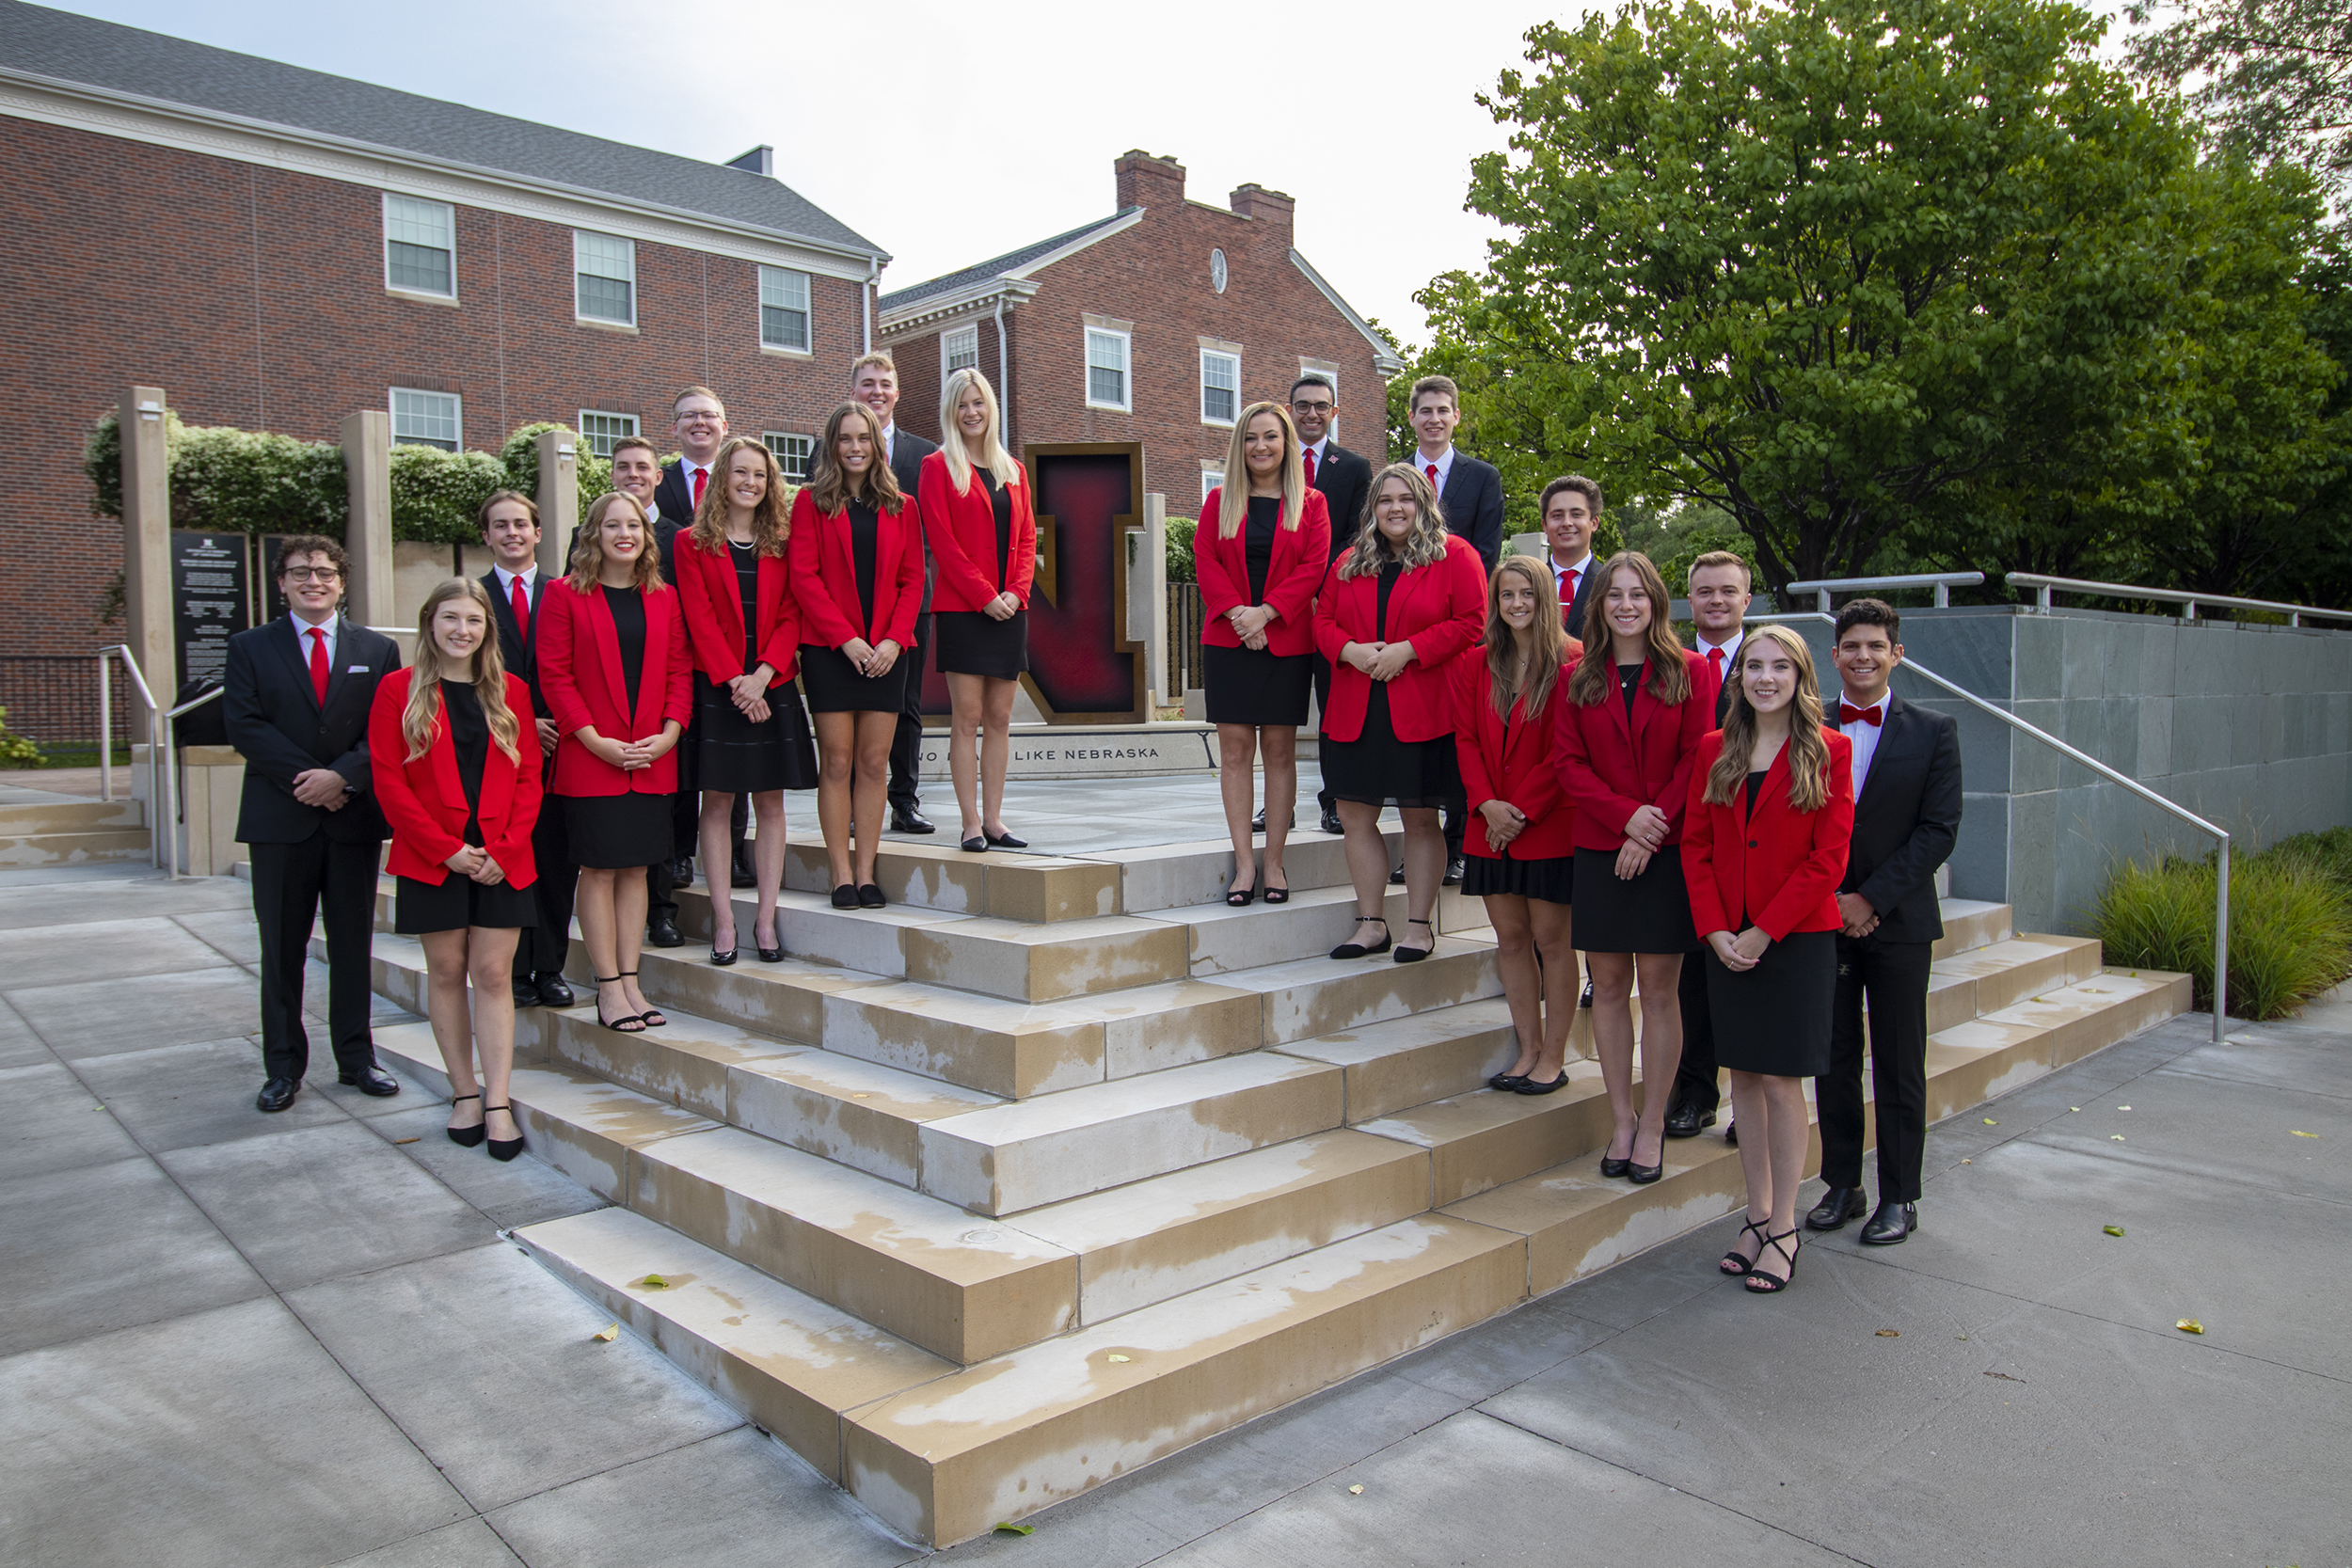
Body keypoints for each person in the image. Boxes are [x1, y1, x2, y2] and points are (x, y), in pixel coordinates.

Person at [1683, 625, 1855, 1292]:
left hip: (1795, 941)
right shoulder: (1715, 750)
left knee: (1783, 1082)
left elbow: (1828, 860)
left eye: (1779, 667)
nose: (1764, 677)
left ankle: (1784, 1224)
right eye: (1754, 665)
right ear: (1739, 677)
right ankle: (1754, 1212)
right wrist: (1717, 929)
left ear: (1801, 677)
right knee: (1744, 1082)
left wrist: (1764, 931)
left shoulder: (1829, 752)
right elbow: (1696, 848)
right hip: (1726, 942)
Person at [224, 535, 404, 1113]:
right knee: (282, 948)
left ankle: (356, 1059)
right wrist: (309, 779)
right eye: (300, 572)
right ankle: (282, 1068)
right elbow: (245, 726)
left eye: (325, 572)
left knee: (353, 944)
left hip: (351, 818)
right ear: (281, 583)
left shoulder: (375, 650)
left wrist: (342, 778)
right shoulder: (250, 647)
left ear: (342, 582)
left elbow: (385, 728)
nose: (313, 580)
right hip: (281, 818)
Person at [369, 578, 542, 1161]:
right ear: (429, 623)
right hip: (431, 855)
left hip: (501, 857)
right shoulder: (398, 691)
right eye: (449, 618)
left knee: (493, 975)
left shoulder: (511, 691)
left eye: (472, 620)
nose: (461, 630)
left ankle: (497, 1100)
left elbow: (528, 779)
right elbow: (389, 780)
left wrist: (506, 848)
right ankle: (463, 1093)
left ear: (486, 628)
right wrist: (444, 849)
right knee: (445, 972)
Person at [1807, 598, 1963, 1245]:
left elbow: (1938, 831)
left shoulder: (1935, 730)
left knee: (1899, 1062)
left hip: (1897, 923)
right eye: (1852, 646)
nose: (1863, 656)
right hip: (1824, 917)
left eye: (1876, 646)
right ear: (1835, 655)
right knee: (1833, 1057)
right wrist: (1835, 898)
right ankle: (1843, 1181)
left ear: (1896, 654)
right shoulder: (1806, 724)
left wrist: (1869, 898)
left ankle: (1900, 1193)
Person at [1552, 550, 1708, 1184]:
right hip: (1599, 848)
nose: (1625, 604)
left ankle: (1653, 1122)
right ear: (1600, 605)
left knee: (1662, 990)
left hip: (1665, 852)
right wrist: (1625, 819)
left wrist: (1651, 826)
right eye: (1614, 594)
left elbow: (1699, 758)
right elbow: (1567, 764)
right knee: (1610, 988)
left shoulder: (1691, 672)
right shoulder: (1577, 677)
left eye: (1637, 594)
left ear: (1656, 603)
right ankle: (1621, 1118)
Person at [1314, 464, 1486, 962]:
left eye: (1406, 499)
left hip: (1423, 708)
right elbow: (1321, 620)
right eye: (1385, 499)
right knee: (1354, 815)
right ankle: (1370, 924)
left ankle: (1417, 926)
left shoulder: (1456, 556)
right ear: (1372, 509)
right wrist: (1348, 651)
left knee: (1419, 815)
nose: (1395, 508)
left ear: (1424, 504)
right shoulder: (1348, 561)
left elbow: (1473, 622)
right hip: (1356, 706)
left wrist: (1408, 650)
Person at [538, 490, 691, 1035]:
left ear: (646, 536)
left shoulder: (664, 597)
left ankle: (631, 980)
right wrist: (594, 741)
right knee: (598, 869)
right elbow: (554, 675)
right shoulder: (563, 595)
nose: (624, 534)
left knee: (637, 870)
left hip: (652, 757)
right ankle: (607, 986)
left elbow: (679, 672)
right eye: (612, 526)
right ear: (593, 535)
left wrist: (670, 735)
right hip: (591, 757)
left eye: (633, 526)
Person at [675, 436, 817, 963]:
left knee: (771, 803)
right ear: (722, 479)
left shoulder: (783, 540)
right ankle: (724, 920)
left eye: (759, 474)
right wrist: (737, 681)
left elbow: (792, 614)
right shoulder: (692, 542)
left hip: (772, 685)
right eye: (740, 472)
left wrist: (761, 677)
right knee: (716, 804)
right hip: (718, 688)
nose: (750, 482)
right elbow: (698, 618)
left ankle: (765, 918)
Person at [1454, 555, 1582, 1092]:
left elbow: (1567, 750)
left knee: (1552, 941)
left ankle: (1555, 1056)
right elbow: (1464, 739)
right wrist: (1487, 805)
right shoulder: (1475, 663)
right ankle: (1527, 1049)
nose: (1517, 604)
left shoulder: (1574, 660)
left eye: (1527, 594)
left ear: (1545, 598)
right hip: (1489, 824)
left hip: (1548, 823)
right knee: (1510, 939)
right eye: (1507, 595)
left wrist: (1521, 811)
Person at [791, 402, 925, 907]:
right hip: (831, 650)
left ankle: (867, 874)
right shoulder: (809, 504)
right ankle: (839, 875)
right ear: (832, 445)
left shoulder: (902, 506)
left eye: (863, 438)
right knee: (838, 761)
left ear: (877, 445)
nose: (854, 447)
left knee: (873, 764)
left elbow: (913, 579)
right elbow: (803, 577)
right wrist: (846, 639)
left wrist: (892, 639)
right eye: (845, 438)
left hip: (888, 654)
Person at [1198, 401, 1331, 905]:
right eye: (1252, 437)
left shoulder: (1311, 504)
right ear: (1240, 445)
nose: (1261, 446)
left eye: (1271, 437)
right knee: (1234, 754)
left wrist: (1267, 613)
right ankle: (1244, 865)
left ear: (1286, 443)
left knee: (1279, 752)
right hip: (1229, 640)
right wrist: (1240, 614)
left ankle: (1274, 862)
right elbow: (1206, 559)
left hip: (1287, 640)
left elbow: (1314, 567)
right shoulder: (1219, 500)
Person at [919, 368, 1035, 853]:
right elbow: (942, 543)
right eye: (963, 404)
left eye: (979, 403)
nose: (972, 412)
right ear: (952, 411)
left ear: (991, 409)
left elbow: (1028, 538)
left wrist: (1015, 592)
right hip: (965, 609)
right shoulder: (936, 466)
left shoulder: (1013, 470)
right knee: (966, 717)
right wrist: (984, 595)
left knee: (1000, 718)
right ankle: (969, 823)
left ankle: (994, 820)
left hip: (1010, 609)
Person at [1664, 548, 1756, 1142]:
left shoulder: (1773, 660)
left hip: (1752, 843)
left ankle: (1750, 1102)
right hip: (1685, 838)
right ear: (1689, 600)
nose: (1715, 600)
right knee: (1691, 979)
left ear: (1747, 599)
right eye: (1704, 591)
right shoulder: (1668, 660)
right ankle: (1694, 1090)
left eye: (1727, 591)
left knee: (1748, 976)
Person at [1400, 375, 1499, 886]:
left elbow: (1485, 553)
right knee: (1413, 743)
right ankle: (1416, 845)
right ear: (1412, 419)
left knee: (1460, 736)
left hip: (1460, 628)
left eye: (1443, 410)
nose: (1434, 419)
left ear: (1456, 416)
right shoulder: (1394, 478)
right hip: (1402, 628)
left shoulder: (1481, 477)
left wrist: (1444, 597)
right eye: (1425, 411)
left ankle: (1458, 846)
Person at [479, 490, 576, 1011]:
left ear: (538, 533)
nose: (512, 533)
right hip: (499, 753)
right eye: (501, 525)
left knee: (557, 866)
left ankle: (550, 968)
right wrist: (519, 724)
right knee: (513, 863)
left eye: (521, 524)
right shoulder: (470, 598)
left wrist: (556, 722)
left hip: (561, 749)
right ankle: (514, 971)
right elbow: (462, 677)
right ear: (488, 536)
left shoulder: (564, 591)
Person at [850, 351, 942, 835]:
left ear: (897, 392)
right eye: (868, 384)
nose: (877, 392)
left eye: (885, 384)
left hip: (911, 598)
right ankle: (851, 802)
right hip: (849, 604)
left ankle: (904, 801)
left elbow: (932, 528)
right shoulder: (831, 449)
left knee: (907, 703)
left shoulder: (924, 454)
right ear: (854, 391)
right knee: (850, 707)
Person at [1289, 373, 1373, 837]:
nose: (1312, 414)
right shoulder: (1271, 461)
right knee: (1277, 715)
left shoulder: (1354, 466)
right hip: (1277, 611)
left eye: (1321, 406)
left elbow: (1355, 537)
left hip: (1327, 604)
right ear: (1291, 411)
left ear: (1334, 412)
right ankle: (1273, 804)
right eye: (1303, 406)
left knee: (1330, 709)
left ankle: (1332, 800)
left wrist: (1315, 584)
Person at [1538, 476, 1604, 637]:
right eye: (1557, 516)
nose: (1567, 523)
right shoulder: (1531, 584)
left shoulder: (1609, 583)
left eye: (1576, 514)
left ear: (1594, 523)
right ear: (1545, 526)